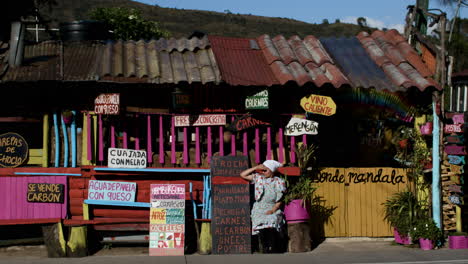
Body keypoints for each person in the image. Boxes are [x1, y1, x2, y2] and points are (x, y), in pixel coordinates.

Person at [240, 160, 286, 253]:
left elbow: (279, 200)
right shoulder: (258, 178)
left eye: (266, 170)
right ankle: (264, 246)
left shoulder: (278, 181)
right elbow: (243, 175)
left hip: (272, 207)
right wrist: (256, 168)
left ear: (272, 171)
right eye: (263, 170)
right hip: (259, 207)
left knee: (272, 219)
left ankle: (272, 246)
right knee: (259, 219)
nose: (263, 172)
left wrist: (273, 210)